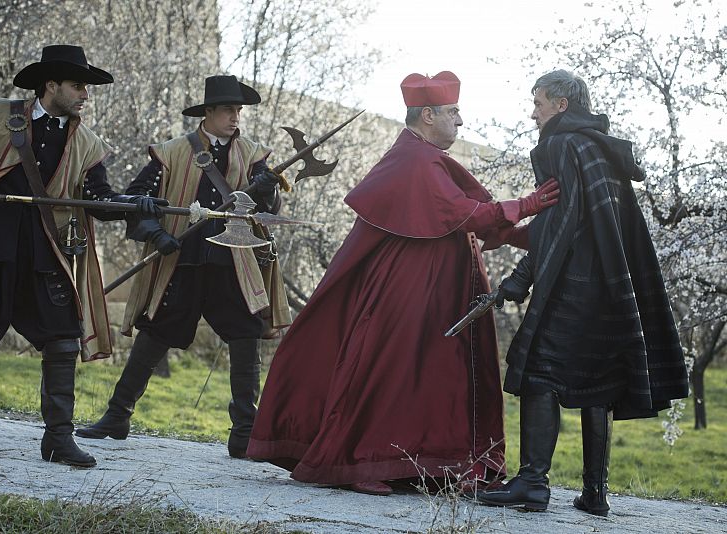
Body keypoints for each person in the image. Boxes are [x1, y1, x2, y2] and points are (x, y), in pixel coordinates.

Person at [245, 71, 560, 496]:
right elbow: (463, 215)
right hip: (407, 291)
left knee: (429, 374)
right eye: (453, 112)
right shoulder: (413, 159)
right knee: (394, 370)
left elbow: (477, 215)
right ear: (427, 114)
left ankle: (424, 464)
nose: (461, 121)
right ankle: (362, 462)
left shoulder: (427, 157)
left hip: (436, 290)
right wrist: (527, 205)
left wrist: (539, 234)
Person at [0, 45, 164, 468]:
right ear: (50, 84)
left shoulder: (87, 143)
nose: (85, 95)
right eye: (78, 86)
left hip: (45, 250)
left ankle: (58, 438)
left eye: (86, 87)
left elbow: (97, 200)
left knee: (61, 340)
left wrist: (134, 203)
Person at [477, 70, 690, 516]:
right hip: (610, 286)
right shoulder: (599, 149)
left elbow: (561, 224)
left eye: (538, 103)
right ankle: (596, 493)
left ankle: (532, 483)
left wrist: (518, 280)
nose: (532, 113)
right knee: (598, 383)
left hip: (574, 285)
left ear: (561, 106)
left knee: (537, 371)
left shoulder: (563, 144)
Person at [75, 75, 291, 459]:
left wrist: (265, 189)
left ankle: (244, 430)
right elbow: (139, 198)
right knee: (157, 331)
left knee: (245, 334)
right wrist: (157, 234)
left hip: (233, 263)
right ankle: (117, 415)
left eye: (238, 110)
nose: (234, 117)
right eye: (227, 109)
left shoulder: (255, 155)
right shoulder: (172, 152)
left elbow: (268, 212)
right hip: (184, 261)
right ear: (207, 112)